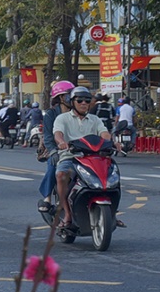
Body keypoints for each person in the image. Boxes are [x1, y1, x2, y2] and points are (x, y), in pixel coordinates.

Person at [53, 86, 110, 229]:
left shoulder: (95, 119)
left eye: (87, 100)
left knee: (111, 177)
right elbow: (58, 133)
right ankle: (66, 214)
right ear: (73, 102)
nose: (84, 103)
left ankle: (112, 213)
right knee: (61, 175)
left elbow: (104, 133)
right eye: (80, 100)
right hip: (70, 157)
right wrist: (61, 142)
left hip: (94, 158)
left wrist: (110, 142)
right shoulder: (62, 118)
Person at [38, 81, 73, 213]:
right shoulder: (51, 114)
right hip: (57, 149)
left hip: (78, 149)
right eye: (68, 95)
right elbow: (47, 136)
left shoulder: (77, 113)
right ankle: (47, 198)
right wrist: (53, 151)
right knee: (53, 167)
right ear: (61, 98)